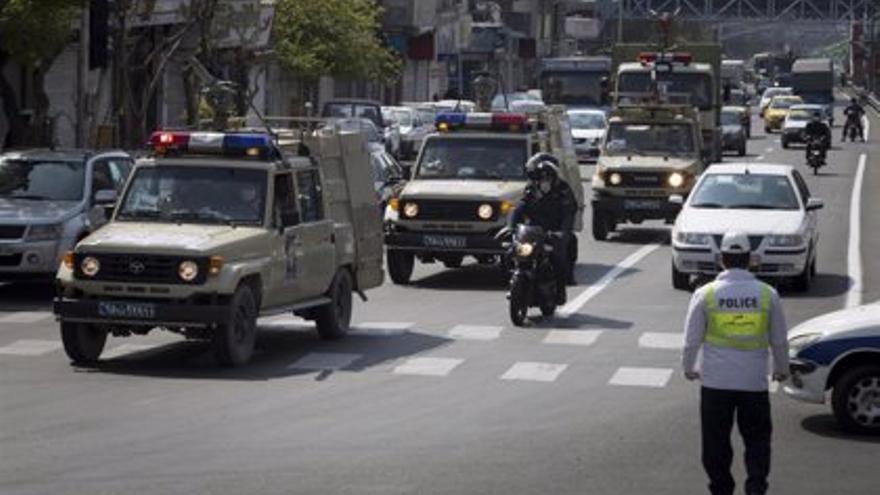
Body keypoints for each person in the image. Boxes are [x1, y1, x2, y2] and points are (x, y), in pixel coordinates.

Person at [682, 231, 789, 495]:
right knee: (757, 441)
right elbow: (779, 340)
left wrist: (689, 367)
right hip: (754, 383)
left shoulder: (705, 294)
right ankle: (755, 487)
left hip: (716, 383)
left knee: (715, 442)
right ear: (751, 259)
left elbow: (691, 340)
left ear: (721, 259)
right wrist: (781, 369)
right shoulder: (767, 294)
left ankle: (721, 489)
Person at [508, 153, 578, 302]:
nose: (544, 182)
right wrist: (511, 228)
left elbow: (569, 213)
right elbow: (519, 208)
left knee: (559, 256)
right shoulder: (531, 189)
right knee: (511, 251)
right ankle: (513, 282)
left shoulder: (564, 190)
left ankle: (560, 290)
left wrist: (563, 233)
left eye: (547, 178)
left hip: (554, 232)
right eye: (541, 178)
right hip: (532, 232)